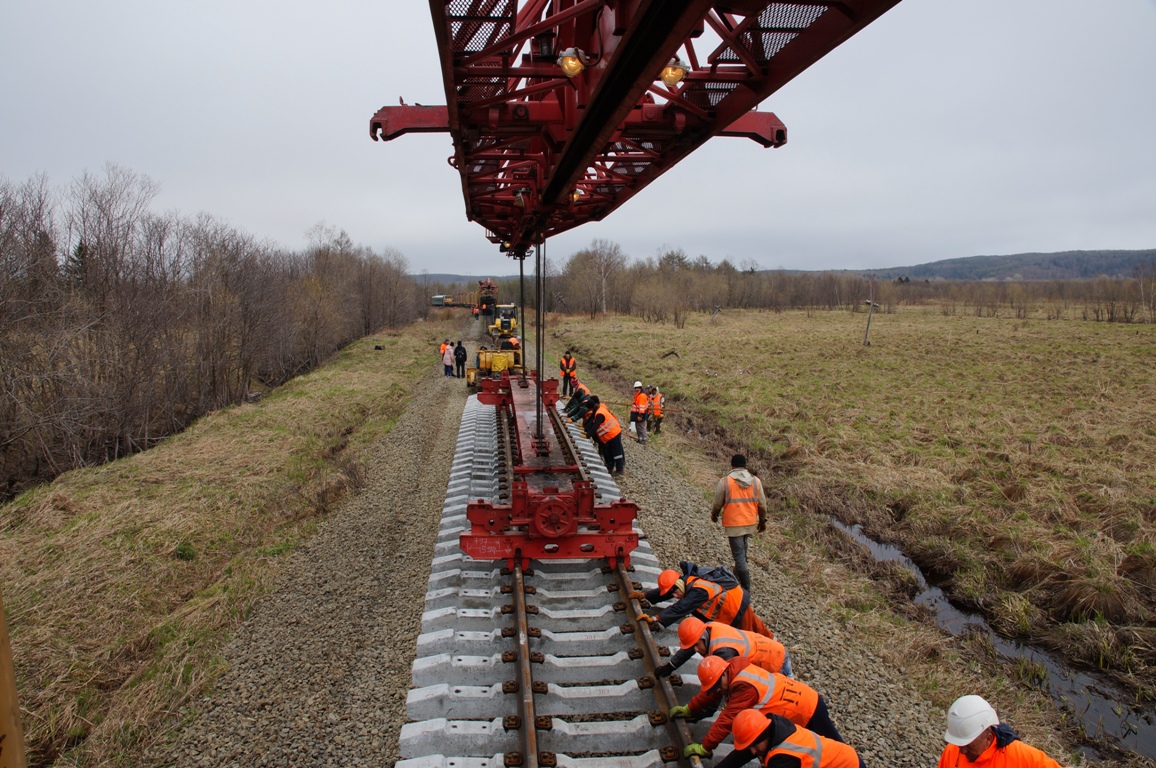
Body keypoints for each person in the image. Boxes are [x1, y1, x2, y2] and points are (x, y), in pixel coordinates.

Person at [670, 655, 844, 759]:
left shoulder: (745, 688)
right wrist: (690, 708)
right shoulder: (731, 671)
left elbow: (727, 719)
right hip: (797, 701)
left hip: (807, 707)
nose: (718, 690)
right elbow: (715, 691)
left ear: (723, 673)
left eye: (717, 685)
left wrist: (705, 747)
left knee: (834, 749)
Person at [637, 562, 775, 639]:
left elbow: (681, 608)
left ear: (678, 585)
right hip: (730, 608)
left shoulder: (698, 591)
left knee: (753, 636)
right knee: (757, 629)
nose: (676, 596)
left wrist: (657, 619)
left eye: (675, 592)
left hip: (735, 608)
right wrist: (645, 596)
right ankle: (776, 646)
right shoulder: (686, 582)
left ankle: (778, 657)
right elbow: (670, 592)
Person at [938, 695, 1068, 768]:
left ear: (988, 738)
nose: (962, 750)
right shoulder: (951, 752)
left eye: (968, 745)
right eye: (959, 744)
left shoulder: (1020, 757)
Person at [709, 710, 864, 768]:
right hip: (844, 755)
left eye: (753, 746)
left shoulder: (783, 757)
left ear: (762, 735)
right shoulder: (776, 729)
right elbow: (741, 755)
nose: (753, 751)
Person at [656, 616, 790, 678]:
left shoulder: (723, 651)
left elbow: (720, 682)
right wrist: (670, 666)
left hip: (775, 660)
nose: (696, 650)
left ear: (702, 639)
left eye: (696, 646)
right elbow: (691, 646)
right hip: (766, 650)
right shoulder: (706, 630)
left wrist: (707, 708)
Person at [711, 454, 768, 592]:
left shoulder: (725, 482)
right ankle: (735, 578)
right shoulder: (756, 482)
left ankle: (745, 588)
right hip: (749, 522)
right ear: (745, 465)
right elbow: (762, 505)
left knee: (739, 556)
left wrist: (714, 514)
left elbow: (718, 502)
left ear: (732, 465)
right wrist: (762, 521)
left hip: (734, 524)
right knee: (742, 553)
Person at [581, 395, 625, 474]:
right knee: (609, 452)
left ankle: (620, 469)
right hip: (608, 435)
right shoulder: (597, 410)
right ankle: (610, 468)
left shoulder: (600, 414)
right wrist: (584, 428)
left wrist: (587, 435)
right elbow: (591, 419)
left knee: (617, 452)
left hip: (614, 433)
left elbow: (595, 426)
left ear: (592, 408)